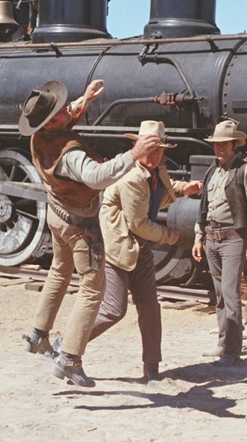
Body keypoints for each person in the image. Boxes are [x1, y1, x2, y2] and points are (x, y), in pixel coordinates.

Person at [20, 79, 160, 387]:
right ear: (49, 123)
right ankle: (69, 359)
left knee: (59, 271)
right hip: (79, 225)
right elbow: (95, 177)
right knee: (92, 290)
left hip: (57, 216)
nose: (66, 111)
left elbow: (65, 115)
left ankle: (37, 334)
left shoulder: (39, 137)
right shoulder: (69, 154)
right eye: (59, 111)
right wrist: (133, 154)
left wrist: (84, 100)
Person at [62, 120, 203, 385]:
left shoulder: (153, 170)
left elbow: (163, 186)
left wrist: (184, 188)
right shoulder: (131, 177)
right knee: (114, 310)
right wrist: (168, 236)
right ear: (137, 146)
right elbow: (138, 223)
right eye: (150, 148)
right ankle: (68, 345)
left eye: (159, 149)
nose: (155, 154)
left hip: (140, 248)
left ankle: (152, 368)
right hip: (118, 249)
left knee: (150, 308)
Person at [192, 119, 247, 367]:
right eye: (216, 144)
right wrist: (198, 236)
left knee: (231, 294)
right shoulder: (213, 169)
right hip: (212, 238)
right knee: (221, 295)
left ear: (235, 145)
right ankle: (223, 342)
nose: (220, 148)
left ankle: (233, 351)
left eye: (224, 144)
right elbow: (204, 207)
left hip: (233, 239)